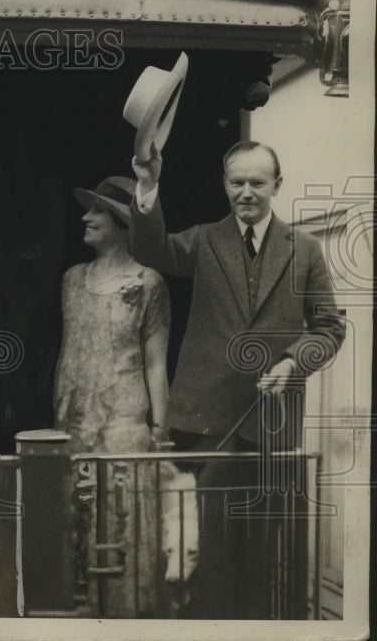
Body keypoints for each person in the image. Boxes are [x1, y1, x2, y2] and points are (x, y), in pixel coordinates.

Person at [130, 140, 345, 618]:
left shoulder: (305, 250)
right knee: (219, 551)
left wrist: (293, 360)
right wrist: (147, 185)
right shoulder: (205, 240)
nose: (246, 192)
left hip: (272, 426)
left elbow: (329, 328)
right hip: (211, 425)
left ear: (277, 185)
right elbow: (151, 248)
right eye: (236, 182)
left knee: (262, 553)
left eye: (257, 182)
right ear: (225, 185)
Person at [52, 175, 170, 617]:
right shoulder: (71, 279)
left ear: (122, 221)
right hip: (72, 423)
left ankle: (125, 620)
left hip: (123, 426)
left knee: (121, 528)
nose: (86, 217)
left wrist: (160, 432)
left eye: (97, 210)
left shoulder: (148, 283)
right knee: (75, 528)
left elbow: (156, 364)